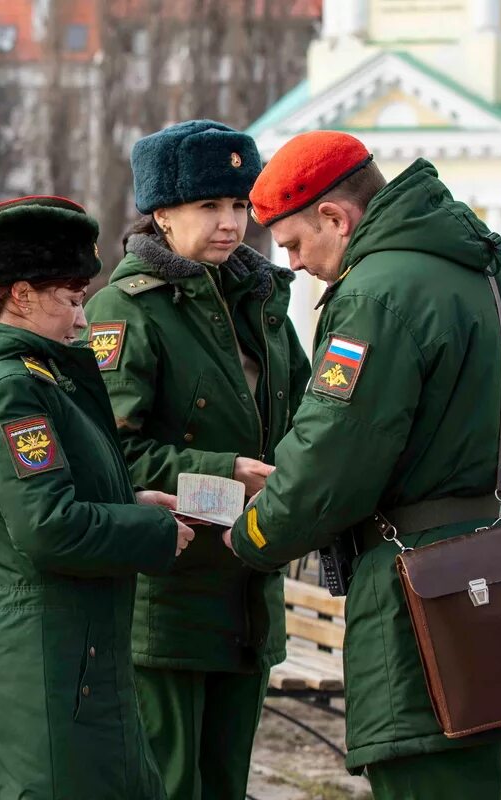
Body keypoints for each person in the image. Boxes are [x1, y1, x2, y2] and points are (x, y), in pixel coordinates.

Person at [225, 130, 501, 797]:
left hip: (431, 603)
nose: (296, 264)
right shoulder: (488, 269)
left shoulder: (375, 295)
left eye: (297, 243)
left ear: (336, 217)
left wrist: (252, 533)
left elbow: (328, 461)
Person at [0, 195, 195, 799]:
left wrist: (133, 503)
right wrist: (153, 535)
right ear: (21, 295)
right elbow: (47, 527)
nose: (81, 318)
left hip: (72, 647)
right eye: (71, 300)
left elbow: (58, 491)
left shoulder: (35, 374)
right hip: (48, 654)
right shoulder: (10, 388)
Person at [83, 120, 311, 799]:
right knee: (172, 782)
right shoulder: (125, 311)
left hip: (250, 581)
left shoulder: (263, 300)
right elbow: (112, 454)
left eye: (238, 205)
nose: (229, 222)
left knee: (226, 784)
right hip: (171, 592)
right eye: (209, 205)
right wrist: (226, 473)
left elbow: (301, 418)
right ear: (162, 214)